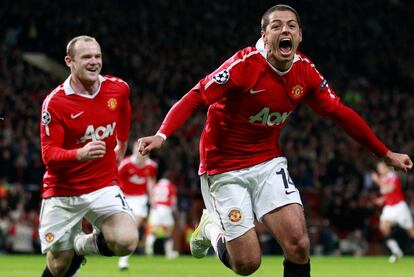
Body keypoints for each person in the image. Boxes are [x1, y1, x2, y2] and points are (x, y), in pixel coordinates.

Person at [138, 4, 413, 276]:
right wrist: (162, 134)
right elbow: (197, 95)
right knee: (247, 264)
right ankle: (211, 228)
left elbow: (341, 113)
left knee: (299, 244)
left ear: (300, 35)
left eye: (292, 25)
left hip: (267, 162)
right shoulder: (244, 66)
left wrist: (385, 153)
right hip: (223, 167)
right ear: (264, 35)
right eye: (277, 25)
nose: (285, 30)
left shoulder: (304, 71)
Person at [39, 35, 138, 277]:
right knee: (59, 266)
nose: (94, 62)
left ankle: (81, 246)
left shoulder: (118, 88)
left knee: (126, 240)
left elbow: (124, 110)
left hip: (102, 184)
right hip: (63, 190)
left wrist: (122, 144)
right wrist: (79, 153)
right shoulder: (56, 103)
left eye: (97, 56)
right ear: (69, 61)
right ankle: (71, 250)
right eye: (86, 57)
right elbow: (49, 154)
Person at [117, 141, 158, 270]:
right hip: (125, 197)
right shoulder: (125, 164)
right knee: (123, 227)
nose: (140, 153)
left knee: (134, 227)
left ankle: (123, 259)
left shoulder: (151, 166)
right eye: (138, 150)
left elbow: (150, 182)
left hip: (140, 199)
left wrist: (153, 198)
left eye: (143, 150)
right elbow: (115, 178)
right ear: (134, 150)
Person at [371, 161, 414, 263]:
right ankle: (396, 251)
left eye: (381, 168)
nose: (380, 170)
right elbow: (387, 193)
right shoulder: (383, 178)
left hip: (399, 207)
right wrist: (382, 199)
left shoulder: (393, 176)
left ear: (386, 168)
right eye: (379, 168)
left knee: (412, 232)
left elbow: (390, 188)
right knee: (383, 228)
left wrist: (377, 181)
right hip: (389, 208)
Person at [145, 176, 179, 259]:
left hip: (155, 208)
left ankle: (149, 250)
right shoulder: (170, 186)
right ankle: (169, 252)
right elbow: (173, 200)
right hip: (165, 208)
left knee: (153, 230)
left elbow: (150, 198)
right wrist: (175, 211)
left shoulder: (156, 185)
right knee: (168, 230)